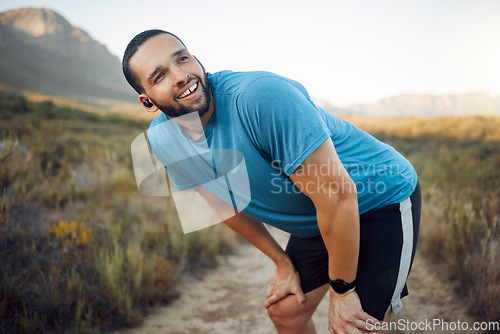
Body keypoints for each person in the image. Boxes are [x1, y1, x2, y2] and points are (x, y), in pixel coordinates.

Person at [122, 29, 421, 334]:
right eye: (159, 76)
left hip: (381, 199)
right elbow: (226, 206)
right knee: (286, 313)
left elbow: (338, 196)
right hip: (321, 217)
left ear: (197, 60)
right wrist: (281, 262)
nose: (180, 76)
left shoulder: (259, 97)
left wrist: (342, 292)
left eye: (182, 59)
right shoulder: (165, 140)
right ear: (147, 102)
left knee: (355, 326)